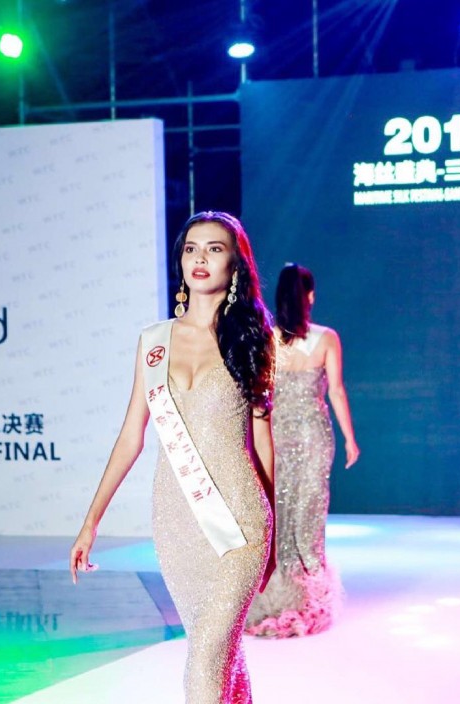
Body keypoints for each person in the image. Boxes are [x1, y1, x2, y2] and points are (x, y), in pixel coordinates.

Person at [70, 211, 276, 703]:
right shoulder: (153, 342)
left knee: (206, 662)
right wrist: (91, 522)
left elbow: (264, 445)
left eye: (214, 249)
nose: (200, 258)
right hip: (176, 525)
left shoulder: (252, 338)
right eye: (190, 248)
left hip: (241, 525)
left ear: (235, 264)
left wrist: (275, 543)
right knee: (224, 659)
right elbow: (131, 436)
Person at [245, 263, 360, 638]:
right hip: (312, 435)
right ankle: (308, 589)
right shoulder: (326, 338)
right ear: (309, 296)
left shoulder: (267, 339)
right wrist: (350, 438)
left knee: (278, 508)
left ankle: (281, 584)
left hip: (275, 435)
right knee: (308, 509)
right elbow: (336, 391)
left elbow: (257, 394)